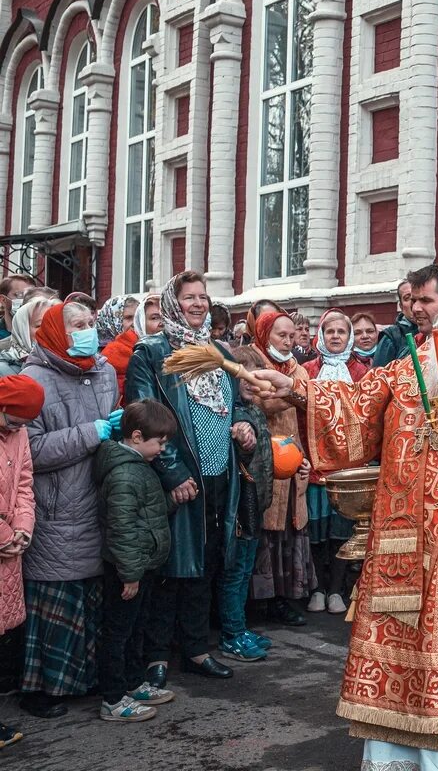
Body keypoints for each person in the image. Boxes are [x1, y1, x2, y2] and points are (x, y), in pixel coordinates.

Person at [252, 244, 438, 766]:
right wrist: (299, 390)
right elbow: (356, 406)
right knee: (401, 666)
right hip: (400, 548)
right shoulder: (413, 364)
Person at [125, 271, 244, 688]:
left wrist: (243, 427)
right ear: (174, 304)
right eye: (189, 297)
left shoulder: (216, 350)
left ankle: (196, 650)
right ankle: (156, 656)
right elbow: (143, 413)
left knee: (206, 564)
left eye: (203, 298)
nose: (198, 304)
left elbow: (238, 406)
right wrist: (173, 471)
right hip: (178, 479)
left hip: (220, 474)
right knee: (170, 568)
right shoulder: (152, 351)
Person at [19, 301, 121, 718]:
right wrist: (92, 433)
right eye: (78, 325)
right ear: (59, 332)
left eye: (91, 323)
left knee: (90, 597)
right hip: (57, 506)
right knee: (56, 598)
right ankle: (43, 688)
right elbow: (31, 450)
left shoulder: (104, 371)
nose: (88, 330)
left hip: (97, 501)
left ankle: (84, 679)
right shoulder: (33, 379)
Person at [95, 399, 178, 722]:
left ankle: (133, 682)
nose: (162, 449)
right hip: (127, 571)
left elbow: (146, 514)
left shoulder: (138, 468)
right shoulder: (125, 475)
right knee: (119, 633)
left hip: (142, 566)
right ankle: (113, 699)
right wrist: (129, 574)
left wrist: (171, 500)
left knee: (135, 628)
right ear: (137, 437)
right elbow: (122, 528)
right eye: (160, 442)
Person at [249, 311, 313, 626]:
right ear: (264, 335)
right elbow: (264, 403)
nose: (287, 342)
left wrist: (295, 392)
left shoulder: (297, 369)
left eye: (291, 336)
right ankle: (260, 601)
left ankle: (283, 598)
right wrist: (296, 393)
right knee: (265, 529)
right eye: (280, 336)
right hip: (263, 460)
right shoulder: (254, 365)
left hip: (293, 455)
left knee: (289, 528)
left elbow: (308, 405)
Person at [302, 309, 366, 616]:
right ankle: (317, 587)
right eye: (330, 331)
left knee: (342, 529)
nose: (336, 336)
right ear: (321, 336)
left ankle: (338, 589)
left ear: (349, 336)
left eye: (342, 331)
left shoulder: (361, 371)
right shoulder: (307, 370)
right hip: (314, 463)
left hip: (347, 465)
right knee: (316, 528)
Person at [218, 347, 277, 662]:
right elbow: (241, 436)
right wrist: (243, 432)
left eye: (258, 379)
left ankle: (239, 627)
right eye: (246, 379)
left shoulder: (254, 408)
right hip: (239, 507)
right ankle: (231, 633)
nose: (253, 386)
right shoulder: (232, 411)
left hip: (256, 503)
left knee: (244, 569)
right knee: (236, 571)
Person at [0, 375, 42, 745]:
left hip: (10, 547)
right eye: (13, 421)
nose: (18, 428)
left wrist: (23, 529)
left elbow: (25, 483)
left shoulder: (20, 433)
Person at [97, 296, 141, 397]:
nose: (135, 323)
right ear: (111, 319)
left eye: (138, 317)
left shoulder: (141, 346)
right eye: (128, 318)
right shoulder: (97, 356)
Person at [0, 297, 55, 377]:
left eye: (53, 324)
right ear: (22, 330)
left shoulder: (69, 364)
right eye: (39, 325)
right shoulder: (3, 370)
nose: (49, 330)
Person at [371, 280, 418, 368]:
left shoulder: (437, 331)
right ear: (401, 307)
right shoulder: (391, 337)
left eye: (416, 297)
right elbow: (378, 375)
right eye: (407, 298)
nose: (413, 302)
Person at [0, 275, 35, 339]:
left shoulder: (41, 332)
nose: (27, 300)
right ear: (3, 300)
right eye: (20, 295)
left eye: (31, 296)